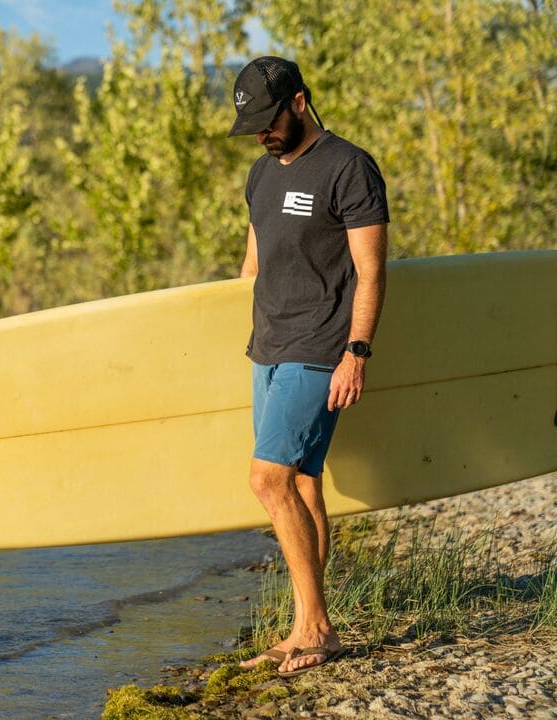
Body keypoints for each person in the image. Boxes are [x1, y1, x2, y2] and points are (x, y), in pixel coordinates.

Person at [229, 56, 389, 677]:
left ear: (300, 102)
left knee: (267, 480)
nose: (263, 135)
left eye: (269, 121)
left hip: (321, 346)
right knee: (301, 483)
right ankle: (304, 626)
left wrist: (357, 351)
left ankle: (317, 629)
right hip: (267, 345)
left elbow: (372, 270)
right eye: (253, 128)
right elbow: (252, 266)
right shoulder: (260, 175)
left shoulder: (349, 167)